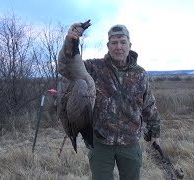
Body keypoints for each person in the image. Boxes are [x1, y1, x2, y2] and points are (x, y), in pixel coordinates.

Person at [58, 21, 161, 180]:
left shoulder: (140, 74)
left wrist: (154, 131)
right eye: (114, 43)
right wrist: (71, 41)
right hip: (100, 143)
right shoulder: (93, 68)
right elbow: (66, 68)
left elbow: (149, 105)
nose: (118, 46)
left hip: (130, 143)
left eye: (122, 42)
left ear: (129, 45)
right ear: (108, 45)